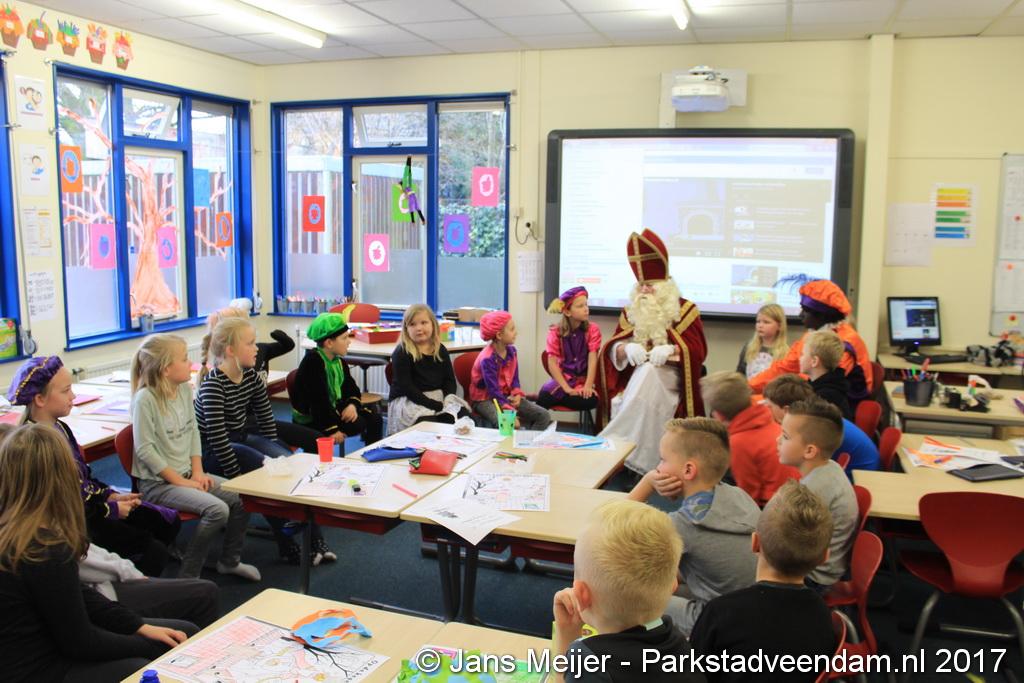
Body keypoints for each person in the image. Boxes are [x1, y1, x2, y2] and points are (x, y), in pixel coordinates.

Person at [0, 423, 196, 681]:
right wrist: (149, 645)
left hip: (40, 649)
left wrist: (138, 626)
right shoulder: (45, 549)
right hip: (36, 669)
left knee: (180, 632)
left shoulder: (19, 529)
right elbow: (80, 643)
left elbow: (79, 595)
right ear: (62, 479)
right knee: (146, 661)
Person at [7, 356, 178, 577]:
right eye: (66, 391)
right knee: (153, 551)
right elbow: (59, 504)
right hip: (73, 520)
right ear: (40, 399)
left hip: (91, 505)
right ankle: (129, 584)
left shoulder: (60, 427)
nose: (73, 396)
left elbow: (84, 478)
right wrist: (110, 509)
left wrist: (109, 495)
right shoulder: (35, 447)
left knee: (165, 521)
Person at [196, 319, 333, 565]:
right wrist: (241, 481)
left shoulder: (251, 377)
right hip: (213, 452)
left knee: (290, 464)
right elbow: (217, 440)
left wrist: (278, 452)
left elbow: (267, 423)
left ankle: (316, 540)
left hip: (240, 439)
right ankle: (287, 544)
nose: (257, 348)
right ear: (230, 350)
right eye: (250, 344)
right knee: (265, 471)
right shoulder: (213, 386)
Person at [130, 333, 261, 581]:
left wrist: (198, 472)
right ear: (166, 369)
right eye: (183, 359)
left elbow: (193, 432)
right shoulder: (145, 400)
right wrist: (182, 481)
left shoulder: (182, 389)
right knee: (218, 510)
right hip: (158, 485)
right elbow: (145, 451)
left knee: (244, 497)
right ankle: (188, 575)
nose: (190, 363)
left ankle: (229, 561)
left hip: (187, 475)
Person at [689, 480, 836, 683]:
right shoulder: (822, 614)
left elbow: (692, 673)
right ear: (824, 557)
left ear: (755, 543)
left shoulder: (720, 612)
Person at [628, 418, 759, 635]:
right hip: (753, 609)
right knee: (667, 580)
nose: (657, 468)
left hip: (720, 623)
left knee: (632, 597)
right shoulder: (738, 495)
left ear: (688, 470)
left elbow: (610, 525)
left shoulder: (684, 524)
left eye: (662, 460)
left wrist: (648, 482)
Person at [551, 500, 705, 683]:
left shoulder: (591, 664)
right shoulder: (680, 644)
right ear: (673, 585)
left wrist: (566, 636)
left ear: (582, 595)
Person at [598, 229, 708, 474]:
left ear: (665, 287)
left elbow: (698, 352)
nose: (644, 291)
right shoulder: (631, 312)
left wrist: (671, 350)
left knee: (649, 372)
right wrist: (625, 348)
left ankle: (616, 447)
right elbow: (612, 347)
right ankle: (627, 456)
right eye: (641, 285)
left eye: (651, 286)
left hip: (673, 380)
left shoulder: (686, 310)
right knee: (645, 374)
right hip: (635, 379)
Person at [205, 301, 321, 453]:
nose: (255, 348)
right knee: (281, 454)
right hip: (242, 430)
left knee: (302, 445)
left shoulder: (252, 371)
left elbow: (265, 419)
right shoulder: (216, 380)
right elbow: (220, 438)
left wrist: (274, 444)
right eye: (249, 343)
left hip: (252, 424)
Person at [749, 277, 872, 410]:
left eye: (805, 310)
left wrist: (767, 398)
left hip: (837, 409)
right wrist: (749, 387)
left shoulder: (843, 344)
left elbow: (812, 383)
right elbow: (784, 367)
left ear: (822, 315)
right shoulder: (814, 334)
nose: (800, 315)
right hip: (813, 397)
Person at [777, 397, 857, 592]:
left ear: (810, 451)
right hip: (819, 564)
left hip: (814, 578)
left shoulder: (812, 492)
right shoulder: (829, 467)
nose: (777, 440)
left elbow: (783, 544)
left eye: (785, 436)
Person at [700, 371, 800, 505]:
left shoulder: (739, 442)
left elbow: (749, 497)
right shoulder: (767, 417)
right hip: (795, 494)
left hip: (776, 506)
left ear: (718, 415)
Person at [291, 311, 384, 448]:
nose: (349, 342)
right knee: (356, 424)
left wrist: (352, 405)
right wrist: (332, 430)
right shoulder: (313, 362)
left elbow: (351, 389)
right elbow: (318, 401)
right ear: (329, 343)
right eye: (345, 338)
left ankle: (373, 454)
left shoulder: (338, 361)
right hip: (313, 417)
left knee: (374, 418)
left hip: (331, 409)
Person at [763, 374, 879, 477]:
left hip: (861, 477)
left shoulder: (813, 429)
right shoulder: (815, 418)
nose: (766, 411)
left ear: (786, 410)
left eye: (769, 407)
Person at [387, 303, 469, 435]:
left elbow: (449, 380)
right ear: (406, 329)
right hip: (409, 400)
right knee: (429, 426)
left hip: (438, 398)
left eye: (424, 323)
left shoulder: (440, 349)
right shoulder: (402, 352)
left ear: (433, 325)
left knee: (462, 417)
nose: (419, 328)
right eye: (412, 324)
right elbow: (407, 388)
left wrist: (447, 400)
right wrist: (434, 404)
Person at [470, 310, 551, 430]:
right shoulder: (487, 359)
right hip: (484, 400)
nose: (516, 332)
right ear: (499, 335)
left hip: (505, 396)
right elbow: (493, 391)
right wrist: (509, 410)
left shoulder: (512, 352)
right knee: (510, 424)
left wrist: (517, 394)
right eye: (512, 329)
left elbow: (514, 379)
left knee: (544, 416)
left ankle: (529, 441)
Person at [537, 286, 601, 413]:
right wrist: (567, 389)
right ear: (567, 312)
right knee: (544, 397)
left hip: (582, 381)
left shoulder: (592, 330)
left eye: (586, 304)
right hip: (563, 380)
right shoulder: (555, 332)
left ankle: (558, 398)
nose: (586, 309)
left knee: (591, 400)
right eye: (580, 306)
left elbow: (593, 359)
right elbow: (552, 363)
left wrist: (588, 386)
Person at [800, 329, 853, 420]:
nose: (800, 358)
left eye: (802, 354)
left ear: (814, 361)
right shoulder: (818, 386)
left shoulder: (824, 398)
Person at [736, 303, 789, 379]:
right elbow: (740, 374)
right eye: (758, 321)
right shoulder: (749, 347)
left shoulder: (786, 352)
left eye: (766, 322)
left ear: (779, 326)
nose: (760, 325)